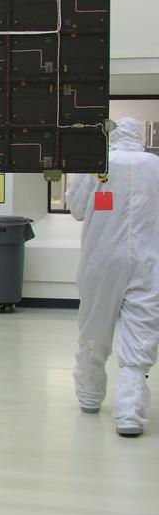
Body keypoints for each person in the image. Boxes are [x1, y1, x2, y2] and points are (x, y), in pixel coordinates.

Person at [69, 117, 159, 437]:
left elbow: (77, 208)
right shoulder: (155, 166)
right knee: (141, 334)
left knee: (94, 328)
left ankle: (90, 397)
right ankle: (130, 416)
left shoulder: (96, 164)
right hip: (148, 261)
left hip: (101, 260)